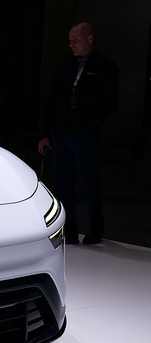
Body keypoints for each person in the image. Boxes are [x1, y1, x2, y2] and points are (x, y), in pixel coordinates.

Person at [37, 22, 119, 245]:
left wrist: (90, 124)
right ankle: (69, 229)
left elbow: (110, 102)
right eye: (69, 40)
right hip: (61, 133)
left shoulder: (105, 66)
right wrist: (44, 134)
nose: (71, 44)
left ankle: (96, 227)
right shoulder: (65, 66)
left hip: (84, 134)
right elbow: (51, 100)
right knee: (62, 183)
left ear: (89, 39)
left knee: (88, 181)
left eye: (75, 40)